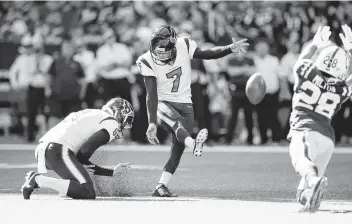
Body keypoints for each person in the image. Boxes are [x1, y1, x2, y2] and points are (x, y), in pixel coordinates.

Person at [136, 25, 248, 197]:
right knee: (177, 125)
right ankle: (194, 143)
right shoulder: (146, 59)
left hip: (186, 103)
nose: (161, 54)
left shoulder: (184, 44)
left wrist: (229, 49)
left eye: (165, 50)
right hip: (164, 102)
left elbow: (207, 54)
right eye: (158, 49)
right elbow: (151, 94)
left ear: (173, 46)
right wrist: (152, 123)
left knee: (177, 151)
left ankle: (160, 186)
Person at [288, 25, 352, 212]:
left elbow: (301, 60)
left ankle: (315, 180)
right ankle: (309, 192)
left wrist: (315, 44)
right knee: (303, 194)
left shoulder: (306, 70)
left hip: (305, 130)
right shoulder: (342, 88)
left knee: (301, 161)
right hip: (327, 140)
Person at [21, 98, 134, 200]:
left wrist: (111, 172)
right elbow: (84, 153)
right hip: (58, 150)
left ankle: (66, 189)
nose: (124, 125)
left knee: (76, 186)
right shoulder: (111, 122)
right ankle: (38, 180)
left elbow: (82, 158)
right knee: (87, 192)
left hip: (44, 148)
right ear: (119, 114)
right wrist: (110, 172)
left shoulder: (90, 113)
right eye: (125, 120)